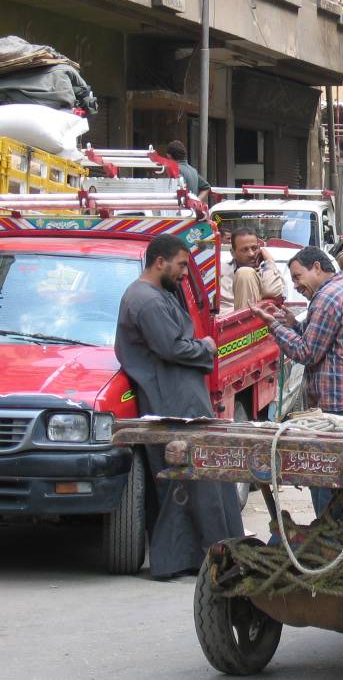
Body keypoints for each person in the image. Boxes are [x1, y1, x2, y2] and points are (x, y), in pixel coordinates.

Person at [115, 234, 242, 579]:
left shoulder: (156, 294)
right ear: (160, 262)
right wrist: (206, 347)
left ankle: (208, 555)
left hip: (179, 397)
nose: (186, 273)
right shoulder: (146, 301)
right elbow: (172, 348)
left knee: (200, 476)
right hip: (171, 401)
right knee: (188, 480)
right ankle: (188, 559)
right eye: (182, 265)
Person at [250, 247, 343, 515]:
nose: (296, 285)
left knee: (328, 484)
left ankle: (332, 536)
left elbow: (307, 352)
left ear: (317, 267)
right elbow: (327, 339)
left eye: (297, 277)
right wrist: (294, 325)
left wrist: (274, 327)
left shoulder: (327, 297)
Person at [219, 227, 284, 314]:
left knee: (245, 272)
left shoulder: (268, 271)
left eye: (254, 248)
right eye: (244, 250)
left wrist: (269, 260)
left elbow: (271, 292)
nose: (251, 254)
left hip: (256, 320)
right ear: (233, 253)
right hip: (224, 320)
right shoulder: (220, 271)